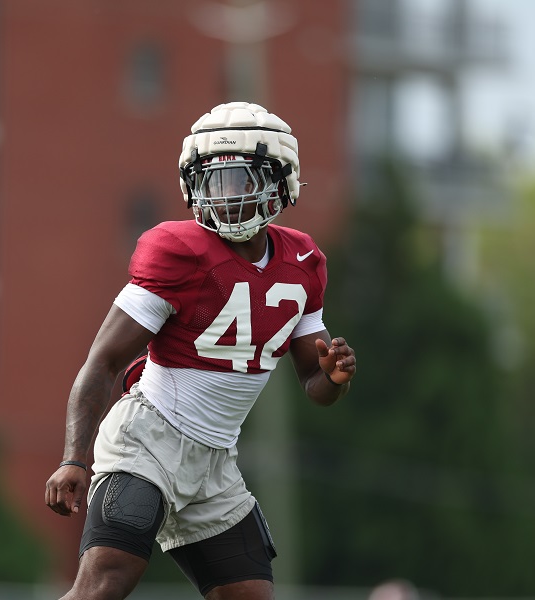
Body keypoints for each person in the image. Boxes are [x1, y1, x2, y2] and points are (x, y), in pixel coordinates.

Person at [45, 101, 357, 600]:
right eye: (213, 181)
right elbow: (102, 361)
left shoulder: (303, 262)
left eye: (241, 180)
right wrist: (74, 460)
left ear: (282, 182)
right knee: (105, 583)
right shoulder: (178, 250)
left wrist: (335, 378)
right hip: (148, 437)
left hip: (215, 461)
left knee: (250, 596)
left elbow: (312, 385)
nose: (226, 196)